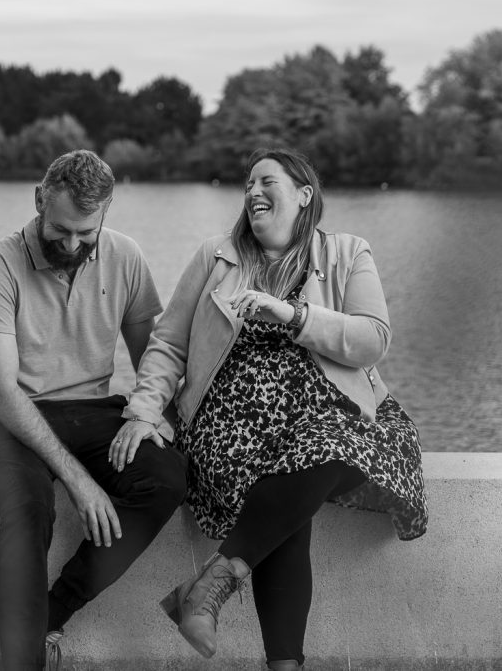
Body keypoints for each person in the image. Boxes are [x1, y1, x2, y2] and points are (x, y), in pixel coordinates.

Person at [109, 147, 428, 670]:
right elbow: (168, 344)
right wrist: (144, 412)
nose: (253, 191)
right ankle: (283, 663)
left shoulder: (348, 252)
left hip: (332, 412)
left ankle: (209, 586)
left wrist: (293, 315)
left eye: (267, 181)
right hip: (232, 422)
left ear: (304, 195)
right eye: (248, 184)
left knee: (325, 449)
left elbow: (373, 340)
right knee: (288, 495)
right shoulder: (217, 256)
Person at [0, 149, 188, 670]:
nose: (70, 244)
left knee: (166, 480)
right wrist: (79, 481)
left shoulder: (125, 256)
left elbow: (151, 360)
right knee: (29, 508)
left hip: (92, 408)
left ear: (106, 211)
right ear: (40, 199)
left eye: (84, 234)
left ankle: (49, 615)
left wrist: (154, 416)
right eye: (60, 229)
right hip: (6, 415)